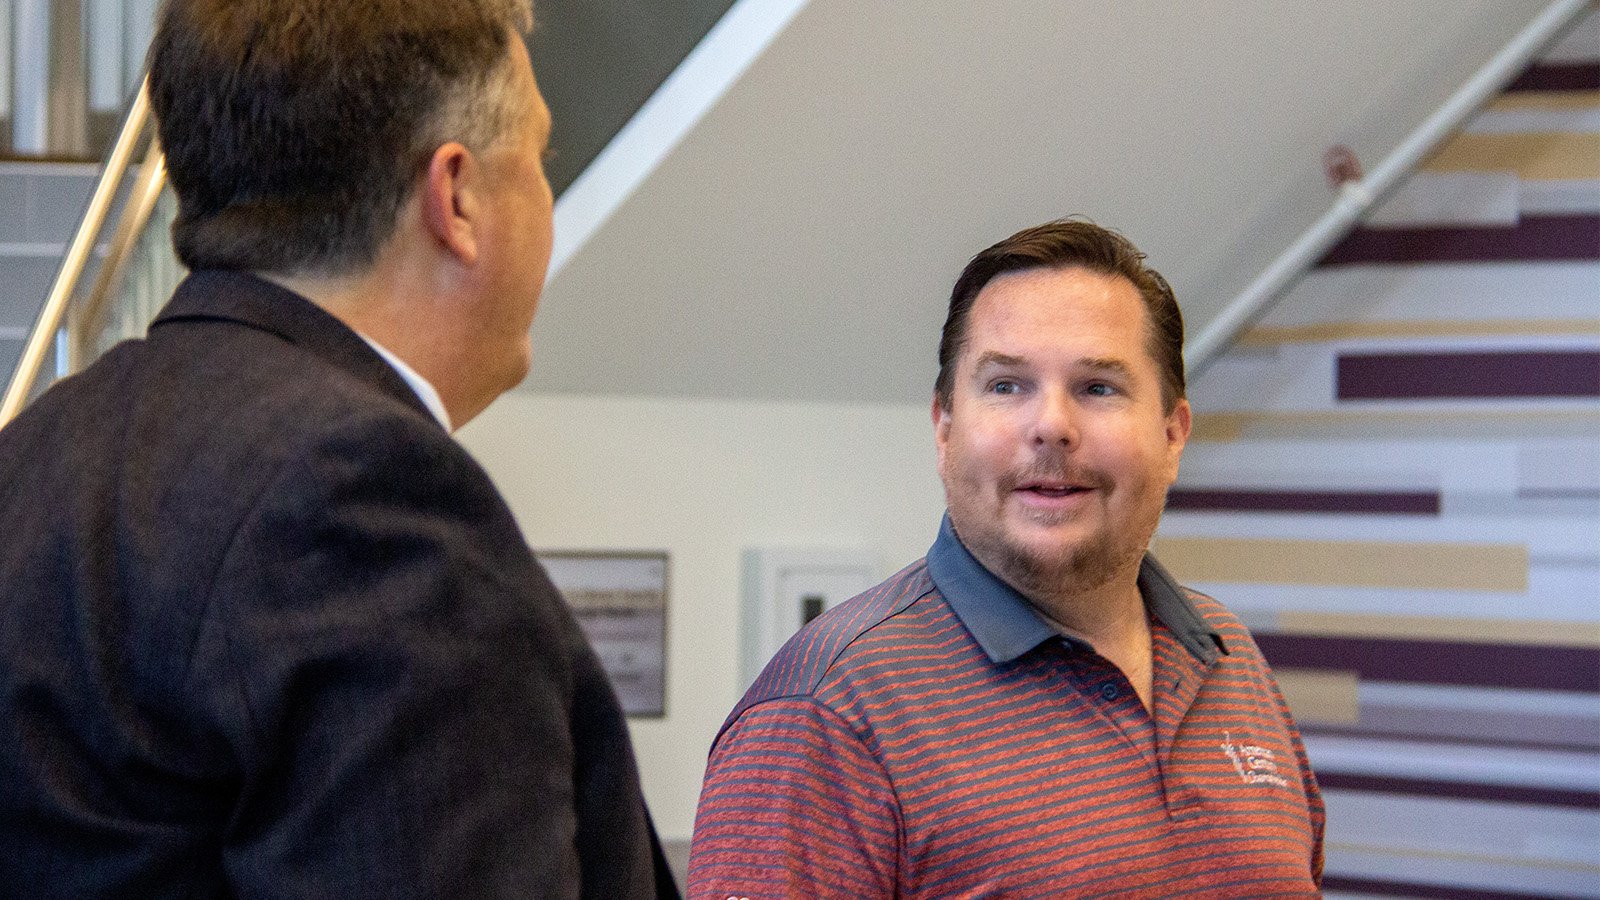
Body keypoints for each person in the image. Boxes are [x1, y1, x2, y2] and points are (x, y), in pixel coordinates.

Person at [0, 1, 677, 897]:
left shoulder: (38, 451)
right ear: (458, 196)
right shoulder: (365, 499)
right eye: (541, 160)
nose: (547, 196)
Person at [687, 220, 1323, 897]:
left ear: (1172, 434)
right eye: (1006, 386)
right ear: (944, 428)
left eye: (1098, 387)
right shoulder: (825, 718)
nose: (1052, 424)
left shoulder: (1227, 659)